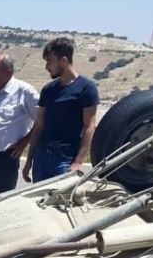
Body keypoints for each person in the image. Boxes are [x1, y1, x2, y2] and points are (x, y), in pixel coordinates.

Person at [22, 36, 99, 184]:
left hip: (65, 159)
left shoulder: (86, 88)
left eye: (49, 61)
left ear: (63, 60)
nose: (47, 67)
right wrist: (29, 160)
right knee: (38, 197)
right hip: (42, 156)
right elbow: (38, 126)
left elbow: (89, 127)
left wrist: (78, 162)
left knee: (60, 197)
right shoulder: (48, 90)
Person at [0, 54, 38, 199]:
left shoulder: (24, 92)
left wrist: (24, 142)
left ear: (7, 73)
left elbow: (43, 119)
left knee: (1, 203)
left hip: (5, 159)